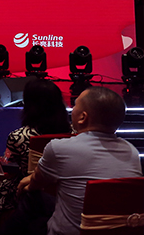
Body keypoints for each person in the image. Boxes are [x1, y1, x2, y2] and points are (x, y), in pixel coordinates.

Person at [18, 86, 142, 235]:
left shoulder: (58, 148)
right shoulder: (132, 151)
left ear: (83, 117)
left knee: (30, 198)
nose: (71, 109)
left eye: (75, 105)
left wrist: (28, 184)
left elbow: (36, 184)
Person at [0, 79, 71, 224]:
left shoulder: (18, 136)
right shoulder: (74, 135)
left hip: (27, 192)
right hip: (64, 192)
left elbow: (7, 166)